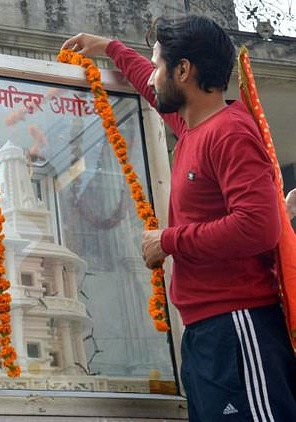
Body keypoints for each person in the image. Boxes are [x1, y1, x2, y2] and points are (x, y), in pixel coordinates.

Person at [63, 15, 296, 421]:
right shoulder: (193, 127)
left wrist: (168, 241)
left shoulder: (230, 133)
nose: (152, 78)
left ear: (183, 70)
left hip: (239, 327)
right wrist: (111, 48)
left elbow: (258, 227)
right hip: (206, 331)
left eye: (158, 66)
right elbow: (151, 91)